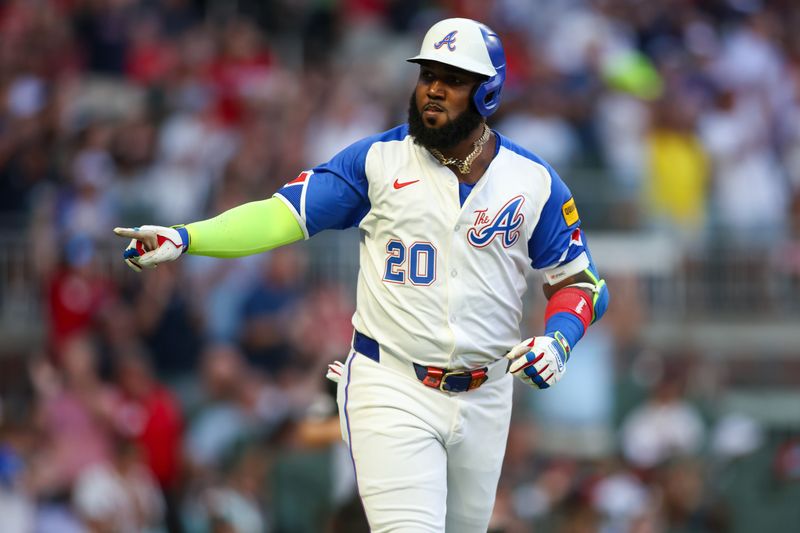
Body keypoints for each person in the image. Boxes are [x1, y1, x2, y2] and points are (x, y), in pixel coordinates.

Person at [114, 17, 609, 533]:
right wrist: (188, 236)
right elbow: (284, 214)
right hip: (392, 382)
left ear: (487, 93)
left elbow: (581, 283)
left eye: (453, 78)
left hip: (487, 393)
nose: (433, 89)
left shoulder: (532, 182)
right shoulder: (376, 161)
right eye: (427, 74)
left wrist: (559, 340)